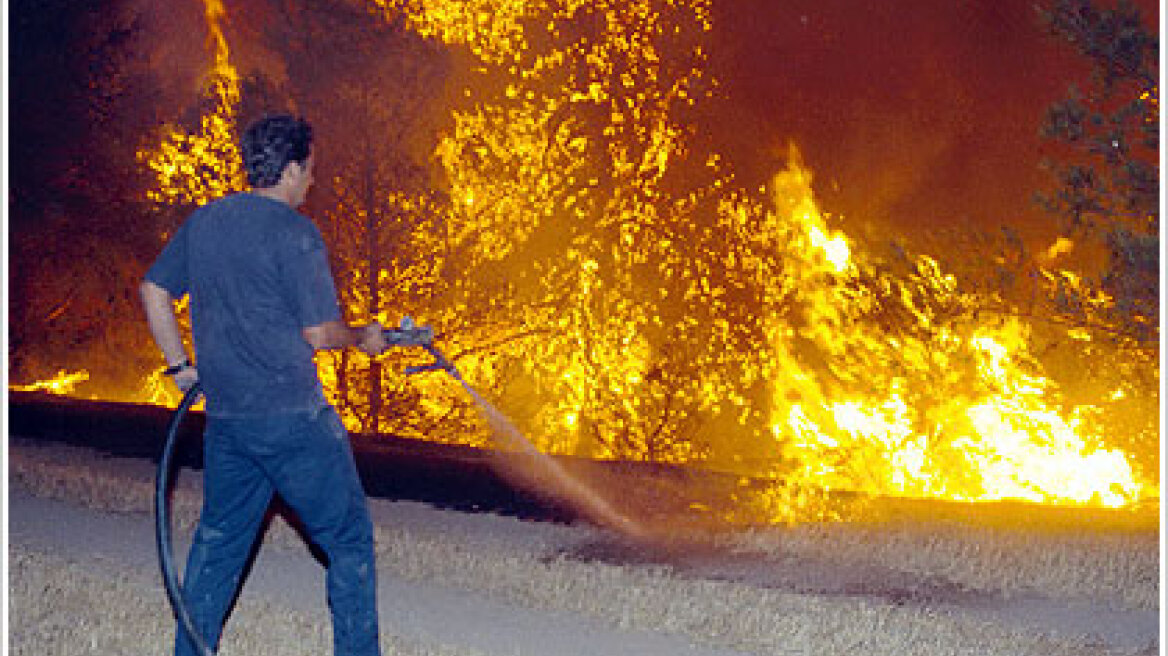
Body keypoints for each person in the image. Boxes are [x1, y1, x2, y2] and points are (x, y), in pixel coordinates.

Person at [140, 114, 387, 656]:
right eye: (310, 171)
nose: (313, 182)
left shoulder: (206, 222)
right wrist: (364, 336)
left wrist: (182, 367)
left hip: (228, 423)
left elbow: (154, 290)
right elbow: (321, 334)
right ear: (293, 168)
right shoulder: (297, 233)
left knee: (219, 546)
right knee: (348, 542)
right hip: (295, 420)